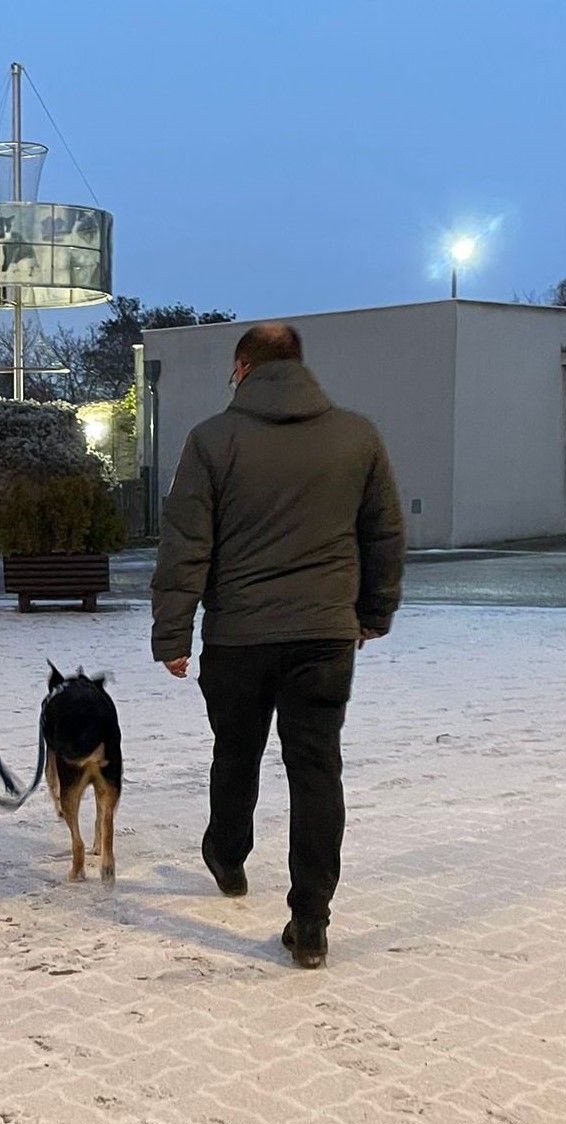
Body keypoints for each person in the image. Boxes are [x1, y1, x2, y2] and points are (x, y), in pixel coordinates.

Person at [151, 323, 405, 970]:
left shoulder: (211, 441)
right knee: (316, 769)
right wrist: (372, 613)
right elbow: (383, 534)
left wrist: (172, 633)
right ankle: (310, 921)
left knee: (235, 751)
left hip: (237, 635)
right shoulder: (356, 435)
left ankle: (226, 855)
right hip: (324, 634)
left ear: (241, 368)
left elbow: (185, 546)